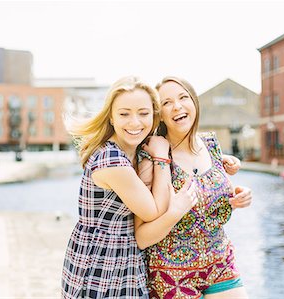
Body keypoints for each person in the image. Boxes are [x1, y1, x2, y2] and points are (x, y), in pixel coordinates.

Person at [61, 75, 195, 298]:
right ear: (111, 118)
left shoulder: (135, 152)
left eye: (143, 113)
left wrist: (225, 161)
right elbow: (153, 211)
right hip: (101, 268)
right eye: (124, 114)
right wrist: (161, 159)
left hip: (125, 261)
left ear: (154, 116)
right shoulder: (111, 160)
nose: (135, 123)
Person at [135, 76, 251, 299]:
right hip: (172, 276)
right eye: (166, 102)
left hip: (220, 264)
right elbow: (142, 237)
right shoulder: (152, 155)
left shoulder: (211, 145)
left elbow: (209, 203)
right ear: (159, 114)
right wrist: (175, 212)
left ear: (194, 102)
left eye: (182, 97)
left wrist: (236, 198)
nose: (177, 106)